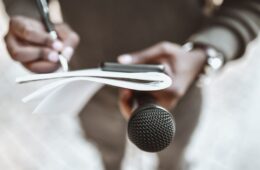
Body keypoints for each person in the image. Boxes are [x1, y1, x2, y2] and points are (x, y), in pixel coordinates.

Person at [3, 0, 260, 169]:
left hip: (176, 91)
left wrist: (207, 51)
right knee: (106, 149)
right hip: (91, 87)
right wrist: (28, 15)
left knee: (173, 154)